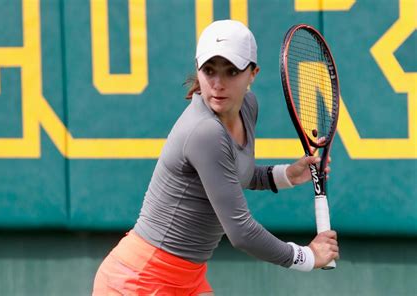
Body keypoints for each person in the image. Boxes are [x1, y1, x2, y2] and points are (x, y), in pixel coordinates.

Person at [92, 19, 339, 295]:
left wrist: (287, 176)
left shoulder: (247, 107)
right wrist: (307, 256)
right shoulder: (204, 132)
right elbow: (241, 232)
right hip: (140, 279)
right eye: (209, 71)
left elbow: (231, 176)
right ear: (198, 69)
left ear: (252, 74)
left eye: (231, 71)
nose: (218, 84)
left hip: (187, 278)